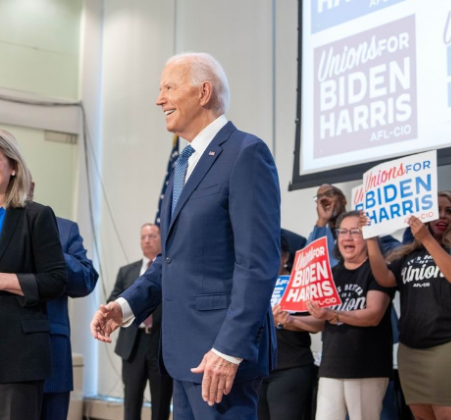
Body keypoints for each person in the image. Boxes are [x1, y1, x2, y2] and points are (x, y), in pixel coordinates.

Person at [90, 52, 281, 420]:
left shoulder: (246, 153)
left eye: (169, 88)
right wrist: (125, 306)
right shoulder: (183, 166)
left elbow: (257, 263)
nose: (159, 99)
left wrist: (229, 349)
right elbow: (171, 260)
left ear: (204, 92)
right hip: (183, 357)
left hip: (221, 357)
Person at [277, 210, 395, 420]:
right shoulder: (330, 274)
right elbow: (320, 320)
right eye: (343, 231)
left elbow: (373, 315)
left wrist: (333, 315)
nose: (347, 237)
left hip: (366, 367)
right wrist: (292, 320)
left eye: (355, 232)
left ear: (368, 236)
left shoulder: (378, 271)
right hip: (331, 367)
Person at [362, 191, 451, 420]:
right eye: (436, 210)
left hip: (449, 345)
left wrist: (427, 239)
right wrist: (370, 238)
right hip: (411, 351)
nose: (443, 215)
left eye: (450, 211)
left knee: (450, 415)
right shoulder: (409, 254)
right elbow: (385, 279)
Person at [0, 128, 68, 420]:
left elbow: (56, 281)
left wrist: (4, 280)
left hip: (18, 356)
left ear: (14, 167)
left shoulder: (36, 216)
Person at [26, 180, 99, 420]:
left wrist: (51, 246)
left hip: (51, 355)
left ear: (32, 185)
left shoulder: (64, 229)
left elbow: (86, 280)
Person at [107, 223, 173, 420]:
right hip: (133, 346)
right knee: (131, 403)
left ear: (161, 239)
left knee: (160, 404)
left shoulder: (170, 272)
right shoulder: (127, 271)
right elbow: (114, 300)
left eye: (152, 236)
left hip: (161, 344)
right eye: (143, 237)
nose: (147, 240)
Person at [258, 235, 317, 420]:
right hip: (256, 368)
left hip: (290, 367)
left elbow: (319, 323)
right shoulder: (252, 286)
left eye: (273, 254)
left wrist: (288, 322)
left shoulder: (300, 284)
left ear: (285, 257)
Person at [308, 184, 400, 266]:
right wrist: (322, 220)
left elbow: (397, 250)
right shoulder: (318, 232)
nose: (324, 199)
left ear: (343, 200)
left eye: (330, 194)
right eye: (319, 197)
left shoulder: (365, 225)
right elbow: (308, 261)